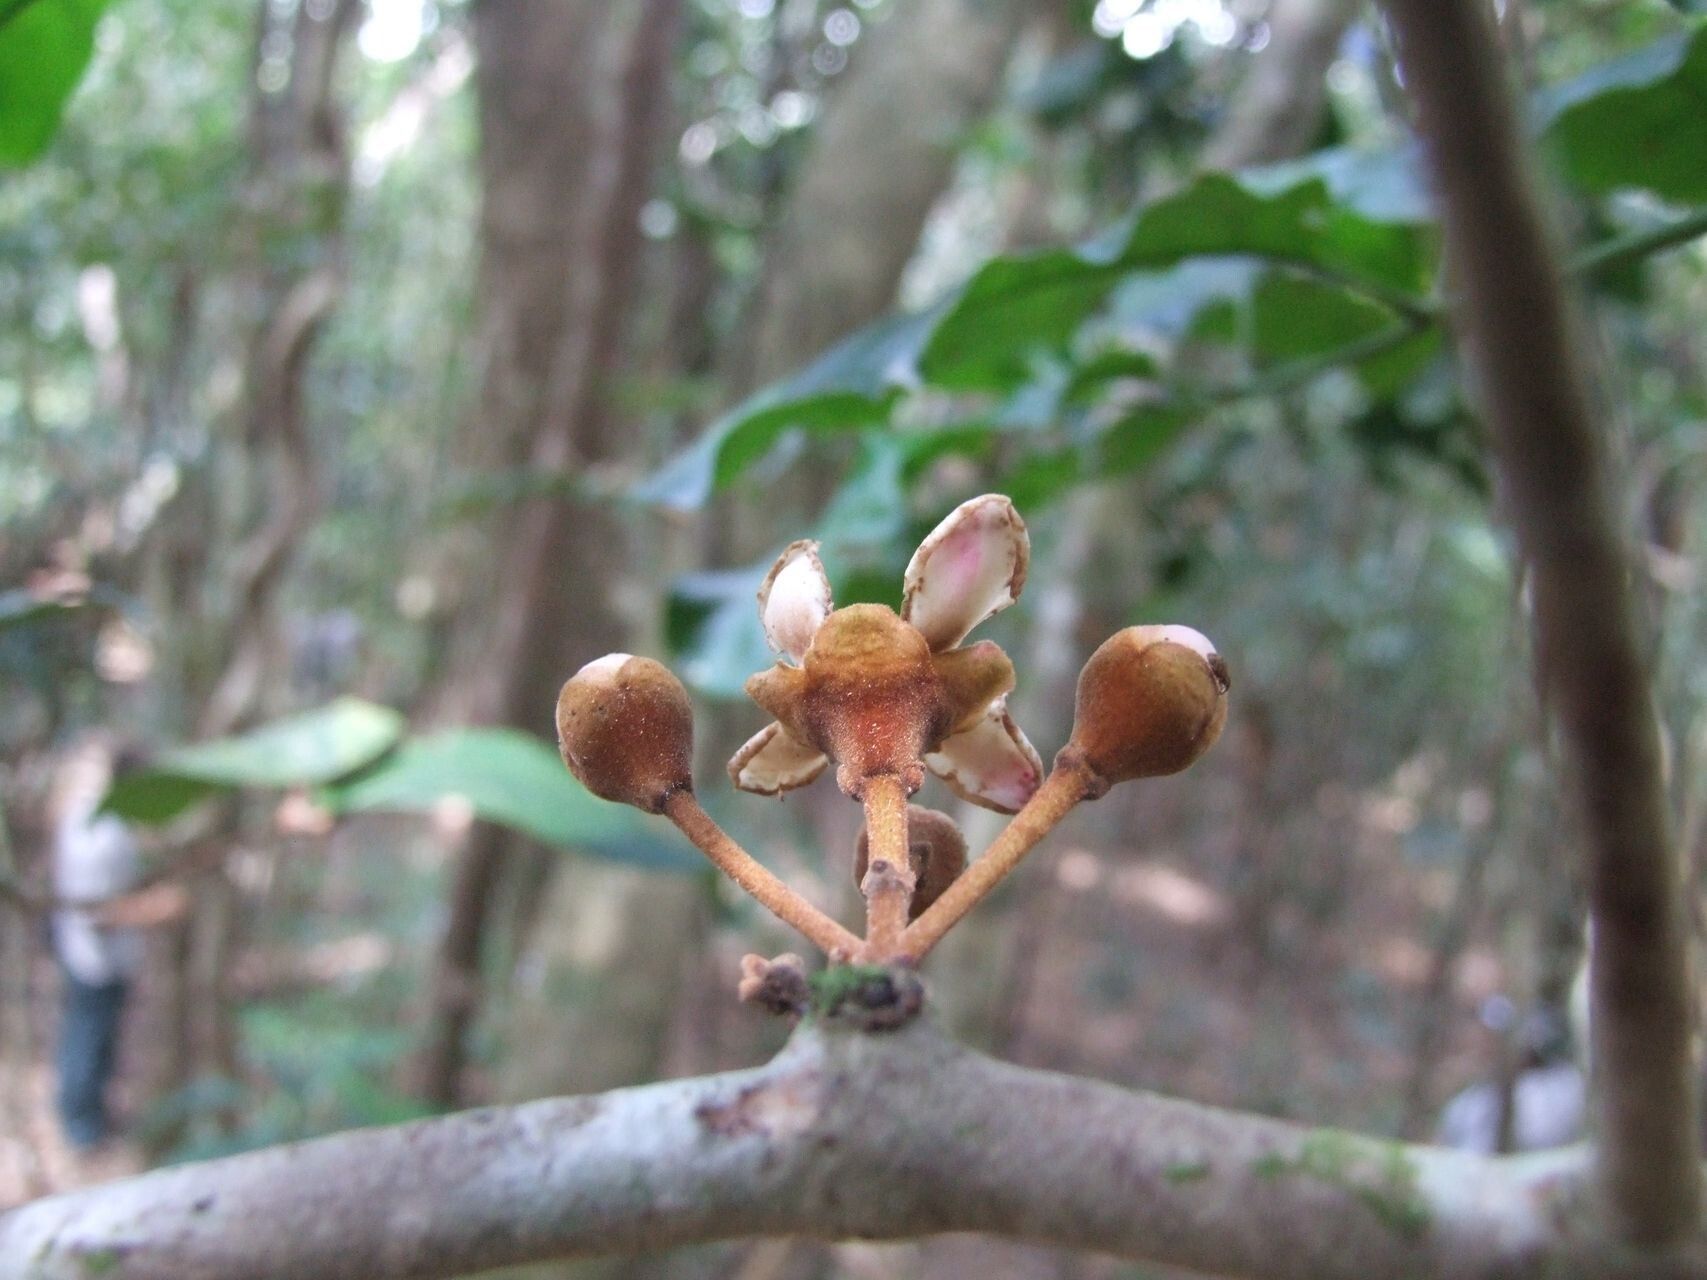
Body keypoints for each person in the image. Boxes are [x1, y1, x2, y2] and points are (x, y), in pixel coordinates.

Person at [50, 743, 146, 1150]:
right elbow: (97, 913)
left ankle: (95, 1118)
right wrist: (157, 909)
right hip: (94, 959)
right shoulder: (100, 831)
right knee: (86, 1038)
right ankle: (80, 1127)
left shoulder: (110, 823)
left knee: (100, 1039)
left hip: (107, 959)